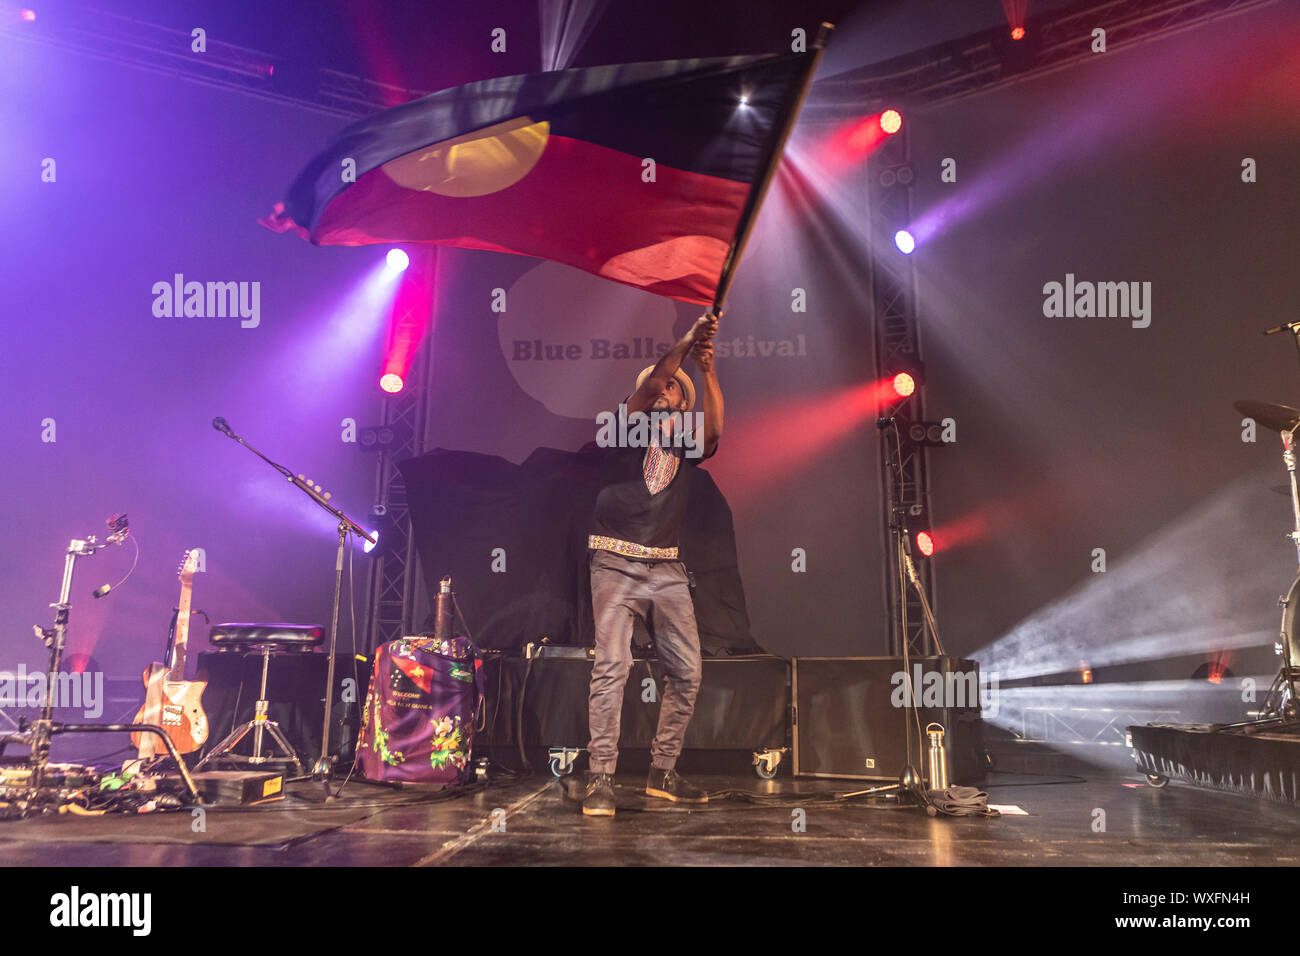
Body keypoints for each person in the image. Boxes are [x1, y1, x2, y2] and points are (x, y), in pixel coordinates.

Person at [582, 312, 724, 817]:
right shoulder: (622, 429)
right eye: (658, 390)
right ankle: (601, 777)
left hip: (667, 570)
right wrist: (685, 343)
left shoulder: (686, 443)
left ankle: (662, 772)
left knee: (687, 671)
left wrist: (707, 372)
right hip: (615, 563)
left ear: (682, 405)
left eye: (672, 394)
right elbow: (652, 385)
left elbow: (713, 433)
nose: (663, 395)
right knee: (612, 666)